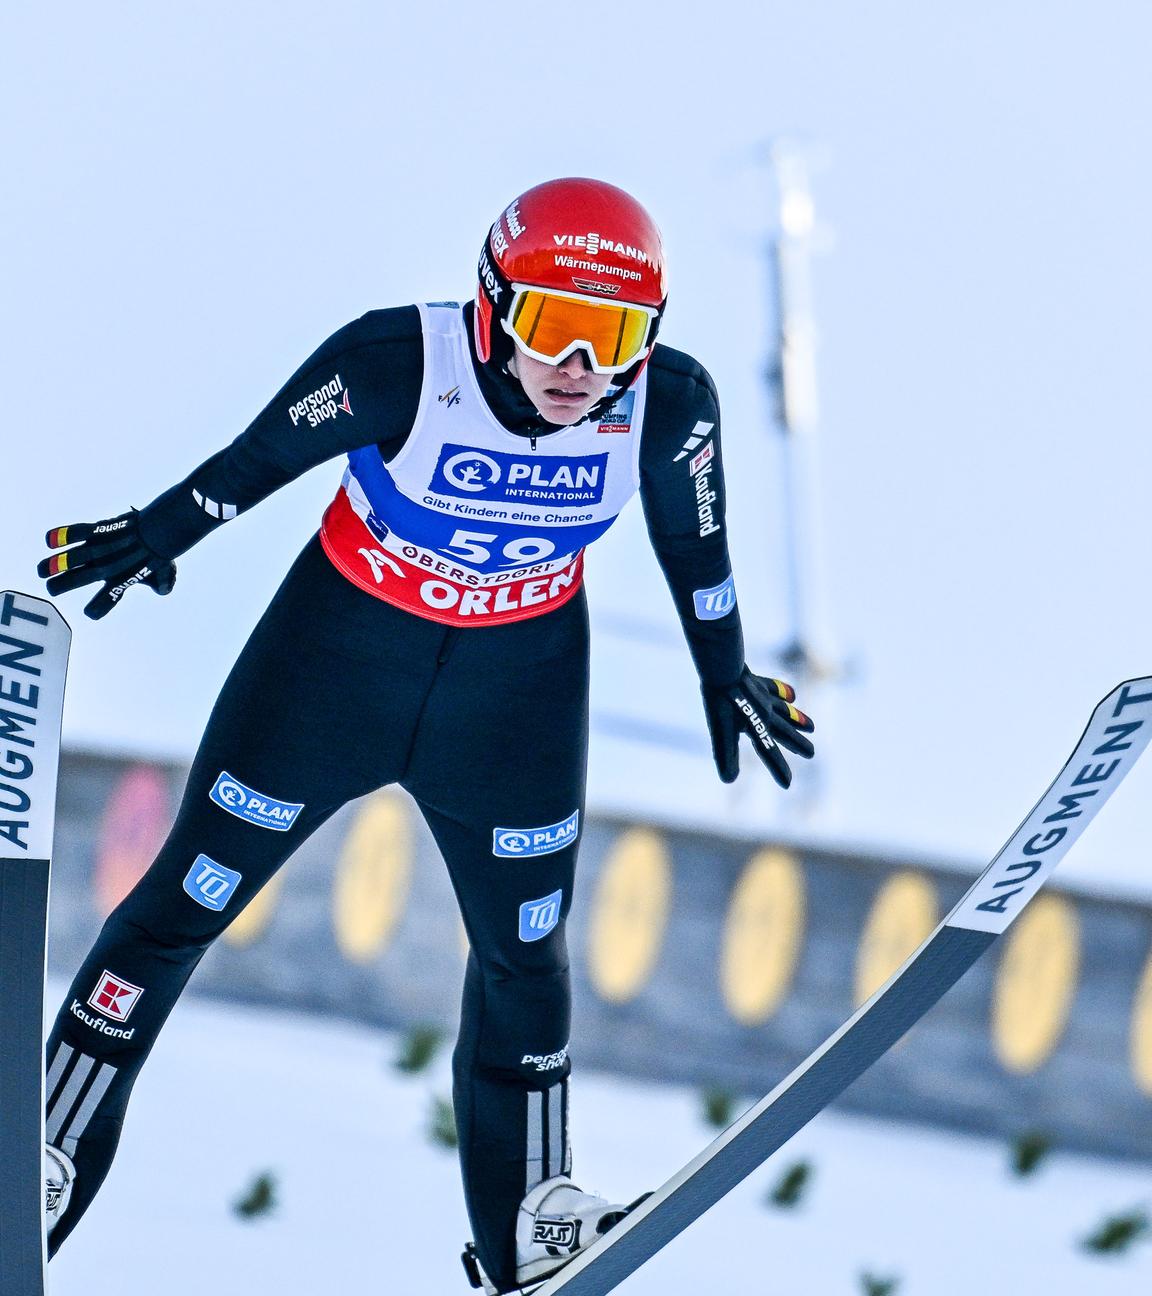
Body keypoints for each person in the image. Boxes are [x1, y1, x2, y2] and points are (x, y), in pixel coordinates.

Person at [37, 177, 815, 1294]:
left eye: (616, 338)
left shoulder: (669, 404)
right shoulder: (402, 362)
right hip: (334, 671)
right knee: (179, 912)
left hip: (513, 702)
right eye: (555, 326)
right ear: (494, 307)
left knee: (524, 959)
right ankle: (45, 1155)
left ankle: (533, 1222)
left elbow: (698, 547)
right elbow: (251, 466)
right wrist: (158, 534)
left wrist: (725, 670)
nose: (581, 369)